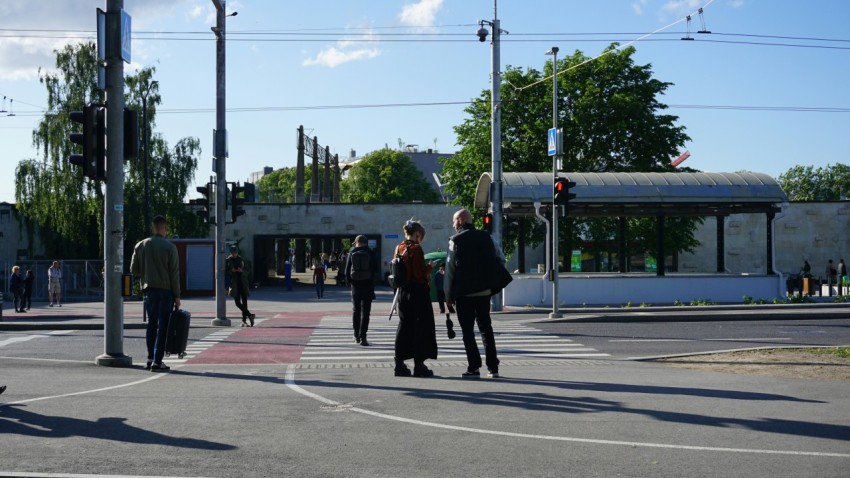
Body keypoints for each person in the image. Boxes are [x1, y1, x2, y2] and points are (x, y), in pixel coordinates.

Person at [445, 208, 504, 379]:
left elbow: (450, 270)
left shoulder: (454, 240)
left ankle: (473, 367)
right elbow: (501, 258)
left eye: (454, 220)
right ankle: (493, 368)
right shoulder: (487, 237)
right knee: (486, 329)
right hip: (484, 292)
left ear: (461, 221)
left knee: (468, 331)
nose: (453, 224)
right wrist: (491, 282)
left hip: (464, 294)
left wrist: (448, 295)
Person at [130, 215, 181, 372]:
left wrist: (147, 273)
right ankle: (157, 362)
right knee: (163, 326)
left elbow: (133, 270)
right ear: (164, 229)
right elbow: (174, 273)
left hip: (148, 291)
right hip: (166, 292)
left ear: (153, 228)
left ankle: (150, 358)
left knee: (151, 324)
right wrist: (177, 296)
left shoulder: (140, 245)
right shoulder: (170, 247)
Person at [393, 220, 438, 378]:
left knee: (404, 327)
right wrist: (429, 267)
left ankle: (399, 364)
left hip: (403, 292)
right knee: (421, 327)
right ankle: (419, 365)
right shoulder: (416, 248)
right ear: (418, 234)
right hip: (418, 292)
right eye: (421, 237)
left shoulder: (399, 247)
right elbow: (418, 273)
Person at [345, 235, 377, 346]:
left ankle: (356, 335)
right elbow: (375, 269)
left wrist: (350, 283)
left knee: (356, 310)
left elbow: (346, 271)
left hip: (355, 286)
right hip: (368, 285)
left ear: (357, 242)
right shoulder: (370, 252)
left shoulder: (352, 252)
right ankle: (363, 337)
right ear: (366, 243)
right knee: (366, 312)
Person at [226, 245, 255, 326]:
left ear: (237, 252)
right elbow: (225, 271)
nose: (234, 254)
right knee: (237, 303)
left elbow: (248, 271)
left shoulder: (242, 260)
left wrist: (241, 270)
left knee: (245, 303)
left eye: (235, 252)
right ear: (231, 253)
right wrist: (231, 271)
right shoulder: (228, 260)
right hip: (234, 284)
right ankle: (250, 315)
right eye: (233, 252)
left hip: (243, 283)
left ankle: (244, 321)